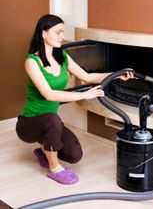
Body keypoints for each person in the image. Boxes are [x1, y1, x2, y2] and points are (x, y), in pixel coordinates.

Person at [16, 14, 134, 185]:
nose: (62, 37)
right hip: (28, 123)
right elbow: (49, 95)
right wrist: (85, 95)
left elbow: (87, 76)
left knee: (74, 154)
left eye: (62, 32)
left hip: (50, 124)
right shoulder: (32, 62)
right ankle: (54, 168)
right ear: (43, 33)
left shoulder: (62, 56)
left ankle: (44, 151)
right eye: (57, 32)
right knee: (53, 120)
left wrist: (116, 75)